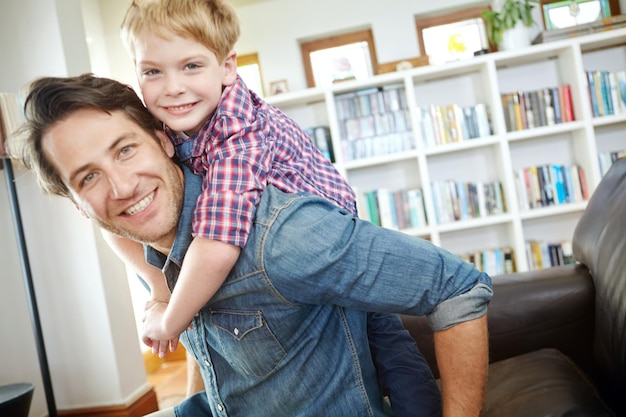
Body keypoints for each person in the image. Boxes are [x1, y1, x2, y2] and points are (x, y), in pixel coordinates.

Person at [7, 74, 490, 417]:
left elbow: (458, 287)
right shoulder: (148, 237)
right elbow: (207, 343)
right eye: (89, 177)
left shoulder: (279, 238)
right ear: (77, 206)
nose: (121, 186)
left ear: (164, 139)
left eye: (125, 149)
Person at [114, 0, 442, 414]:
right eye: (152, 71)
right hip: (279, 273)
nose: (172, 86)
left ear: (228, 68)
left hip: (334, 248)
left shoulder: (239, 135)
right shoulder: (171, 122)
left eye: (191, 66)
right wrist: (157, 291)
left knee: (391, 351)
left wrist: (168, 320)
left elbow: (218, 241)